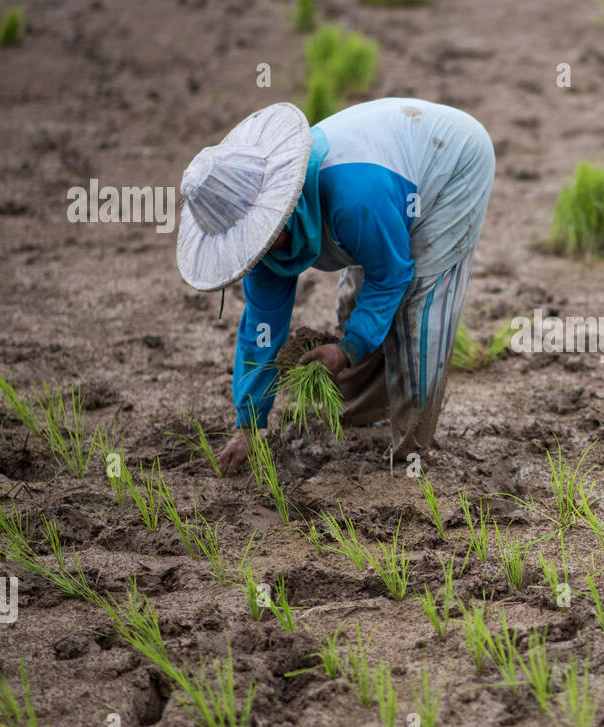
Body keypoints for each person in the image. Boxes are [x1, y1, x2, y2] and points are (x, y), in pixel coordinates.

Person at [175, 98, 495, 475]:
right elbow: (261, 329)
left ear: (280, 209)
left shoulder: (353, 197)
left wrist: (348, 349)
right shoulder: (264, 249)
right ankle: (362, 414)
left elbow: (391, 275)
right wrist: (248, 425)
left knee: (417, 312)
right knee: (356, 302)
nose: (255, 249)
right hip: (384, 189)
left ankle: (411, 453)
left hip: (452, 162)